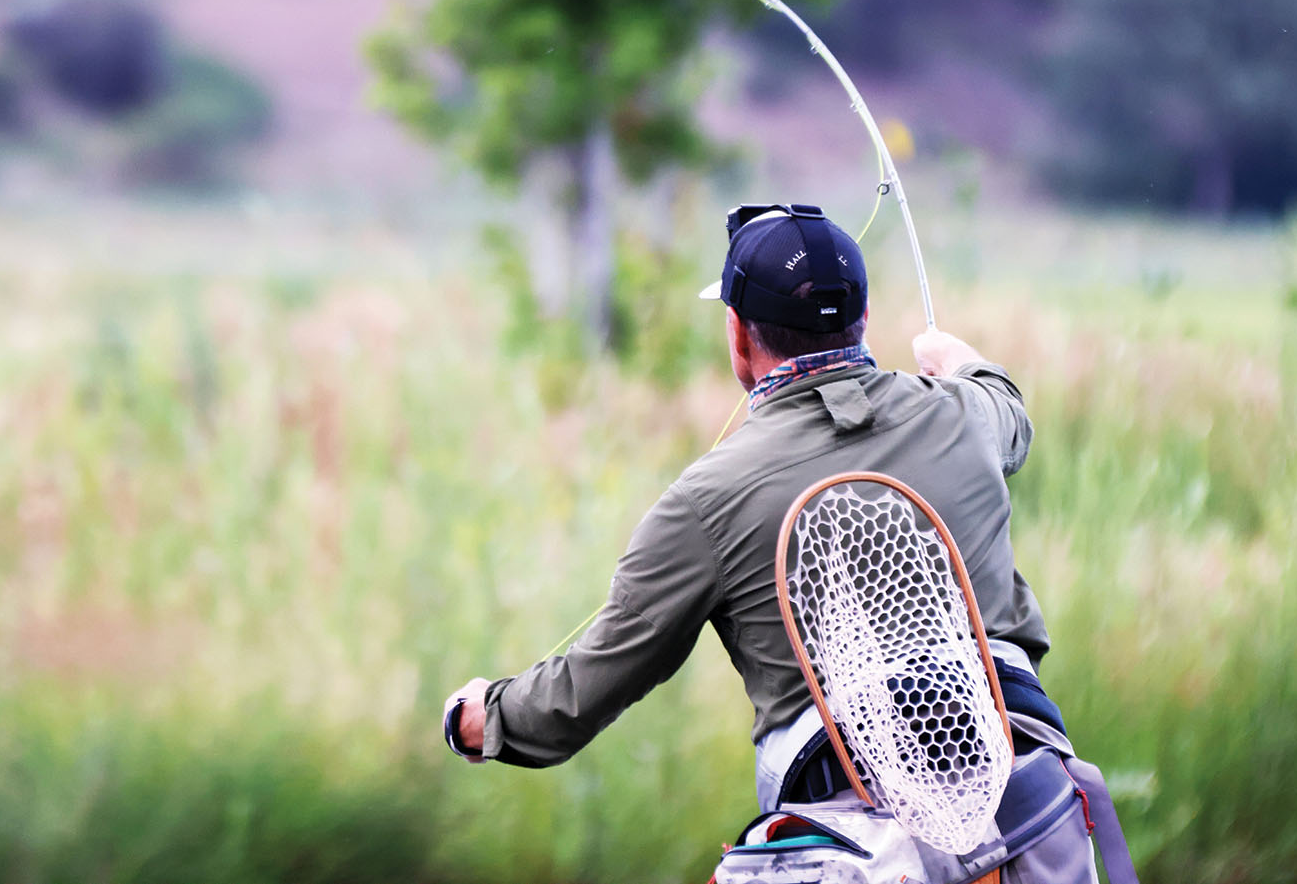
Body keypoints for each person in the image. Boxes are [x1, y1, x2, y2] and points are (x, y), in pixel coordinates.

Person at [443, 203, 1125, 883]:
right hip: (1034, 815)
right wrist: (961, 360)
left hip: (851, 844)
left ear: (739, 334)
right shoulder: (965, 414)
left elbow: (583, 692)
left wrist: (482, 717)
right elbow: (1007, 406)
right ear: (861, 316)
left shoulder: (704, 499)